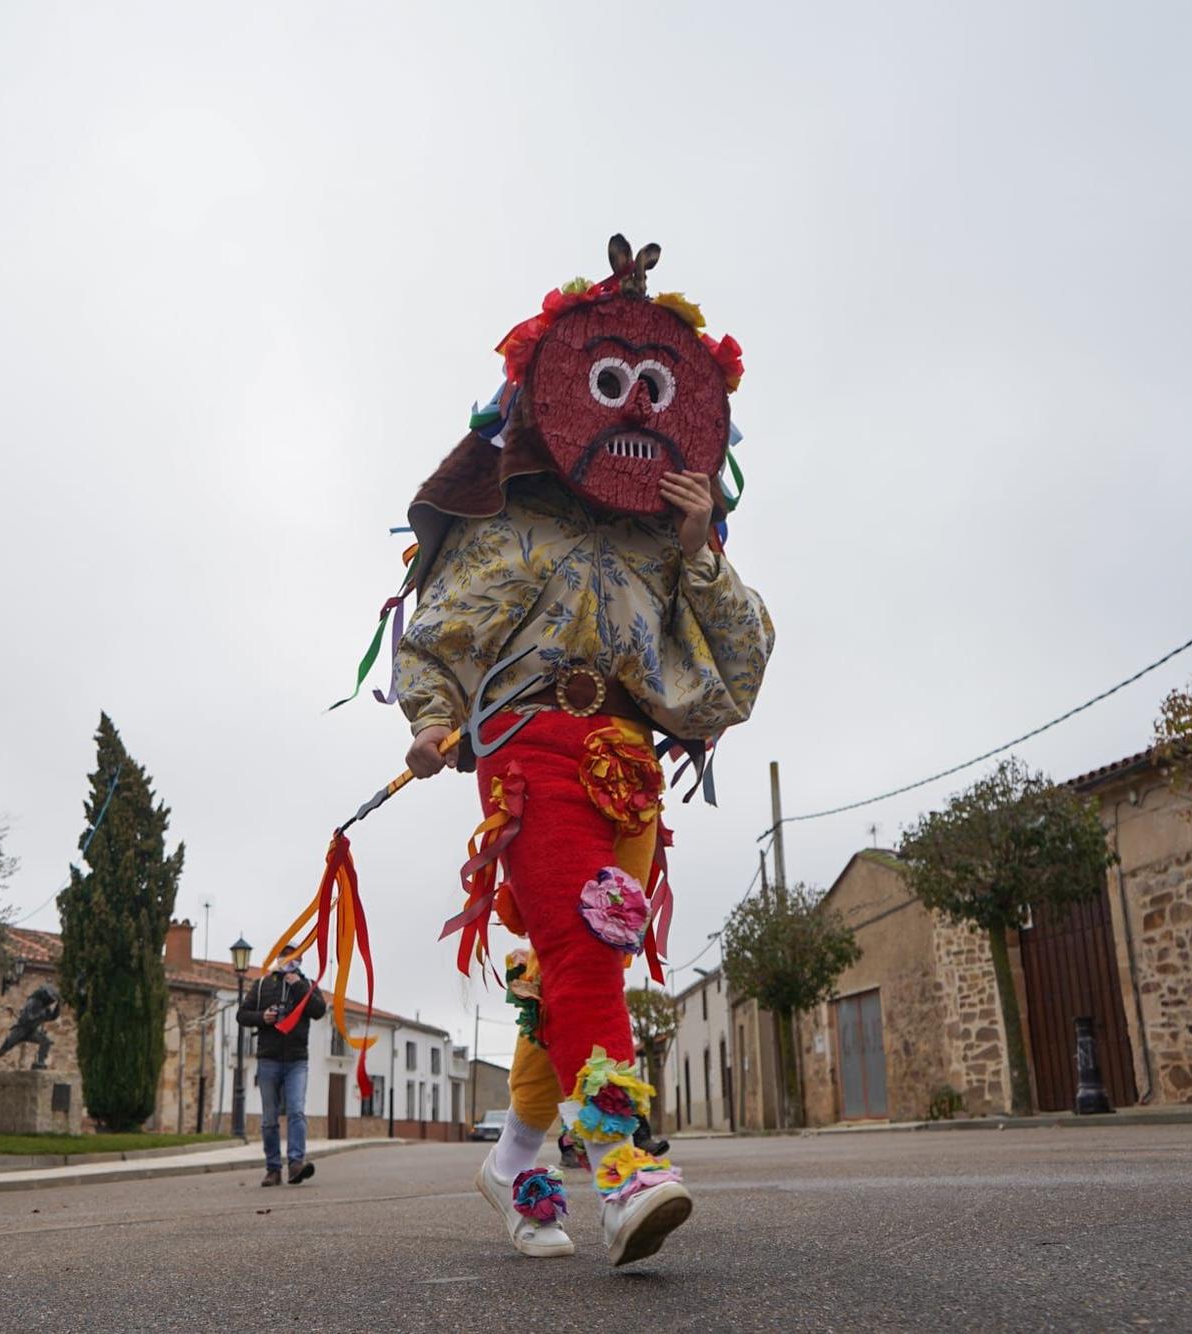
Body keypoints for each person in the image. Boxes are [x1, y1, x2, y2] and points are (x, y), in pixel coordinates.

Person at [392, 236, 773, 1266]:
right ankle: (619, 1163)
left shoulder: (666, 539)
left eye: (654, 389)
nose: (636, 409)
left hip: (628, 765)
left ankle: (516, 1154)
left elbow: (736, 668)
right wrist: (432, 721)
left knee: (577, 959)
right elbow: (430, 638)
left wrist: (698, 551)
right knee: (577, 947)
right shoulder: (510, 517)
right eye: (612, 385)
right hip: (530, 749)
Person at [238, 944, 327, 1186]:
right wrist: (262, 1018)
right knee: (269, 1117)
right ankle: (273, 1169)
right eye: (285, 955)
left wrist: (297, 985)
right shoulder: (262, 985)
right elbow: (242, 1015)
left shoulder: (307, 986)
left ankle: (296, 1164)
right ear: (277, 957)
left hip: (297, 1059)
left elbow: (319, 1011)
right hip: (269, 1058)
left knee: (296, 1110)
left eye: (294, 956)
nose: (289, 960)